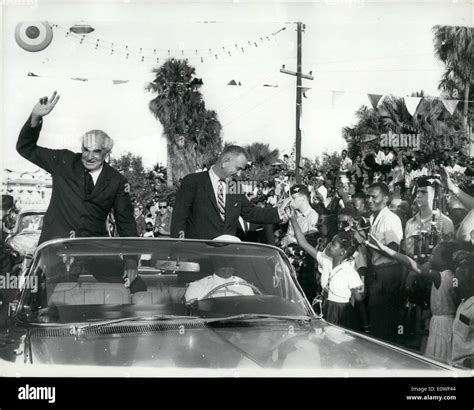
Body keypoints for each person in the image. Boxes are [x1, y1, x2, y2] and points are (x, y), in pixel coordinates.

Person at [16, 91, 138, 285]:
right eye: (86, 150)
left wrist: (132, 262)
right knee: (44, 302)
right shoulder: (64, 162)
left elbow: (126, 223)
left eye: (96, 152)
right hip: (55, 252)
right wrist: (35, 117)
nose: (89, 157)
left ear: (107, 152)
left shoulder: (117, 180)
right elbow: (26, 148)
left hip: (95, 251)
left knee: (134, 287)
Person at [368, 235, 459, 363]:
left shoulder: (442, 277)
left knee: (439, 360)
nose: (429, 258)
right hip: (442, 323)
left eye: (433, 255)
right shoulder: (450, 275)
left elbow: (413, 265)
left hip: (443, 327)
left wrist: (386, 249)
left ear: (443, 260)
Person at [170, 145, 288, 239]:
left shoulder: (234, 185)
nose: (239, 174)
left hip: (227, 256)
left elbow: (250, 212)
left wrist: (278, 212)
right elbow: (179, 220)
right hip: (199, 255)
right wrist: (180, 249)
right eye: (238, 169)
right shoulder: (193, 181)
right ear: (225, 161)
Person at [365, 182, 404, 341]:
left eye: (373, 196)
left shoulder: (390, 219)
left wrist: (367, 243)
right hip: (377, 273)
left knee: (383, 323)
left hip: (387, 274)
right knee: (376, 319)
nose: (369, 200)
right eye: (368, 196)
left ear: (386, 198)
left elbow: (393, 249)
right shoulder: (374, 218)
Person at [184, 266, 254, 303]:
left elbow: (252, 306)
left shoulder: (243, 284)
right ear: (214, 263)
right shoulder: (198, 286)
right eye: (223, 262)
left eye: (230, 263)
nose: (227, 267)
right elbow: (192, 310)